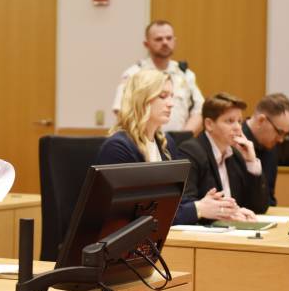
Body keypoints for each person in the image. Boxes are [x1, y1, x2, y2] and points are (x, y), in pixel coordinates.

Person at [96, 69, 229, 225]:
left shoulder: (166, 142)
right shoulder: (118, 147)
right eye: (163, 96)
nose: (171, 104)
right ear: (142, 99)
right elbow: (137, 216)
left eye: (172, 96)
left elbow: (178, 200)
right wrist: (197, 209)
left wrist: (212, 206)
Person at [177, 93, 269, 222]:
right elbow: (186, 207)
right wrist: (226, 214)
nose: (237, 127)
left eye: (239, 121)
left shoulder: (236, 154)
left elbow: (259, 207)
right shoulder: (192, 152)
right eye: (229, 121)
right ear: (209, 124)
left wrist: (251, 162)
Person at [112, 20, 205, 133]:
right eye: (158, 39)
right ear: (146, 44)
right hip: (144, 141)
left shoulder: (185, 74)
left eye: (169, 38)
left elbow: (199, 110)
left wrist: (183, 138)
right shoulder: (134, 74)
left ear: (174, 41)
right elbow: (121, 111)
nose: (165, 42)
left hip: (177, 144)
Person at [243, 93, 289, 206]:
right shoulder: (235, 143)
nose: (281, 140)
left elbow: (269, 197)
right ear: (261, 121)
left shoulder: (271, 146)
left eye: (286, 134)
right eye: (280, 132)